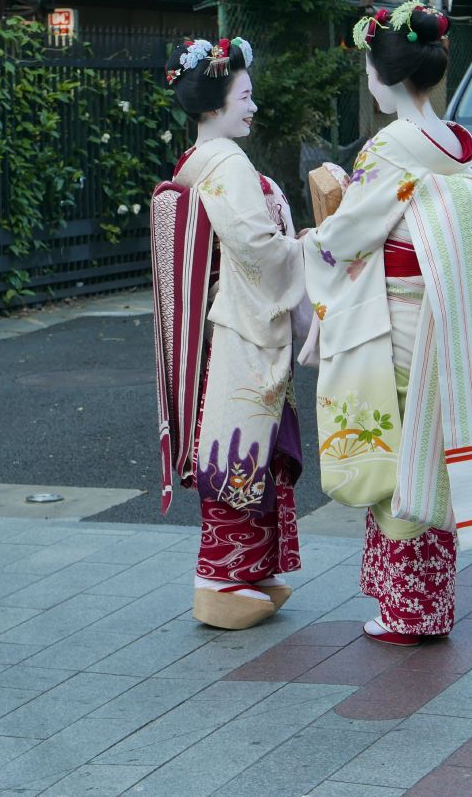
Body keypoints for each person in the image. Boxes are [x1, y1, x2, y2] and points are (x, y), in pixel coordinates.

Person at [301, 2, 472, 646]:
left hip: (398, 323)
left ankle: (406, 612)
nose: (367, 81)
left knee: (399, 462)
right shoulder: (453, 144)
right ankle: (431, 606)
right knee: (433, 457)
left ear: (384, 76)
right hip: (446, 320)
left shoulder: (388, 148)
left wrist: (311, 241)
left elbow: (348, 238)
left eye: (368, 70)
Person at [150, 37, 311, 630]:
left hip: (219, 327)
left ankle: (250, 571)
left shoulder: (197, 162)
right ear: (215, 104)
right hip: (241, 327)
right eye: (245, 97)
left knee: (247, 446)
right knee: (238, 449)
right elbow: (257, 248)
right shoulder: (230, 166)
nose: (253, 106)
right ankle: (217, 579)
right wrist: (312, 250)